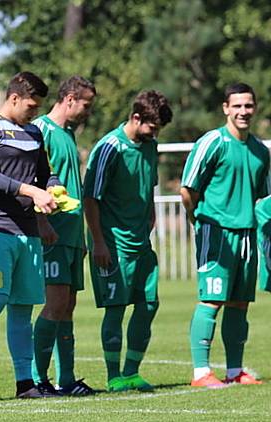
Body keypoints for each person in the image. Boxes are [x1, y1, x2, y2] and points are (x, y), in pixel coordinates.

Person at [0, 71, 60, 400]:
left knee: (23, 308)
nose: (35, 112)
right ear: (14, 97)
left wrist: (53, 188)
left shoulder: (34, 131)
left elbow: (46, 172)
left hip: (29, 232)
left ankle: (24, 382)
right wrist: (33, 191)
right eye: (31, 105)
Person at [83, 90, 173, 392]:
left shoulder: (150, 146)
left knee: (149, 304)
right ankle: (114, 376)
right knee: (116, 308)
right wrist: (98, 242)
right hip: (113, 243)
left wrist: (150, 219)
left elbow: (148, 187)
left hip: (141, 242)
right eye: (152, 126)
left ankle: (132, 371)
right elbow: (91, 198)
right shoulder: (110, 148)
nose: (155, 133)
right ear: (136, 118)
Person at [181, 83, 270, 388]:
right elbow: (187, 189)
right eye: (237, 106)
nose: (243, 112)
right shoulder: (213, 142)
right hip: (216, 233)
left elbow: (262, 196)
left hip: (247, 236)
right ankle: (201, 372)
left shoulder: (260, 151)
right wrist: (198, 220)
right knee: (211, 300)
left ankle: (235, 370)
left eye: (248, 106)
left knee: (239, 303)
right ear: (225, 108)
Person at [31, 76, 97, 396]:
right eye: (86, 105)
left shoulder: (69, 134)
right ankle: (37, 379)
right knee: (55, 303)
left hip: (73, 234)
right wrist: (43, 223)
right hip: (53, 233)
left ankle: (67, 379)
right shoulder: (41, 130)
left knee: (68, 305)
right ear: (70, 98)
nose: (88, 112)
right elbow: (30, 178)